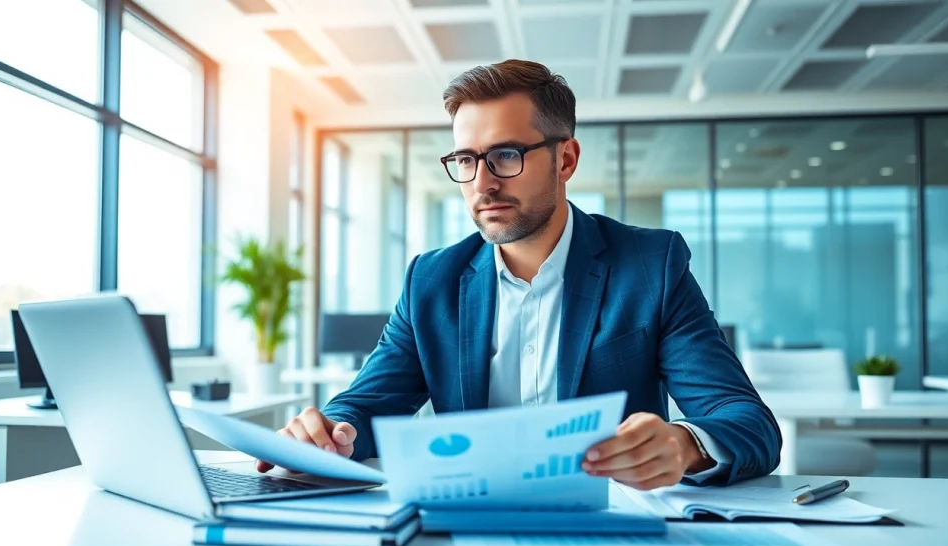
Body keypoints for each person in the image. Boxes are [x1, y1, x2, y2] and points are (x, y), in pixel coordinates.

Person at [258, 59, 781, 489]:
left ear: (566, 159)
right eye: (466, 159)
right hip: (466, 526)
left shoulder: (650, 266)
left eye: (506, 155)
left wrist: (684, 444)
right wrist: (324, 432)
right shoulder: (431, 281)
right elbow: (367, 404)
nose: (482, 183)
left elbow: (746, 421)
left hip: (613, 536)